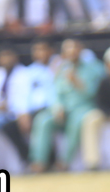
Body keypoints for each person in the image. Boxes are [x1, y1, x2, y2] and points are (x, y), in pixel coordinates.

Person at [29, 38, 104, 172]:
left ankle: (64, 162)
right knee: (43, 120)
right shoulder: (61, 68)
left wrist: (76, 81)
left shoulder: (94, 67)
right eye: (68, 48)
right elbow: (55, 91)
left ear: (80, 49)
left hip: (83, 107)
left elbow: (94, 93)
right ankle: (39, 162)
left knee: (75, 122)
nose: (71, 51)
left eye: (74, 47)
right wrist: (58, 107)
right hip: (64, 110)